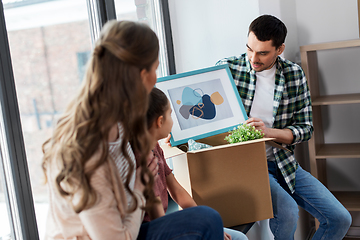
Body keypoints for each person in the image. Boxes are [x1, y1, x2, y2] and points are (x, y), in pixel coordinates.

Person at [42, 20, 224, 240]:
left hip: (131, 226)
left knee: (206, 220)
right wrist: (138, 187)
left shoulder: (120, 121)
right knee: (206, 220)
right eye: (155, 69)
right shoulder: (89, 151)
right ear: (140, 75)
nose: (156, 78)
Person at [216, 15, 352, 240]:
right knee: (288, 212)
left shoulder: (293, 74)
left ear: (280, 49)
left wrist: (268, 132)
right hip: (247, 166)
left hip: (284, 163)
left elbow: (306, 128)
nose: (253, 58)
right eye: (250, 49)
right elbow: (204, 118)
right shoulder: (227, 69)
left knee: (340, 218)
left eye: (262, 53)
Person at [142, 87, 248, 240]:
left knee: (239, 238)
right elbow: (158, 216)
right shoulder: (142, 158)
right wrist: (206, 225)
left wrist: (208, 223)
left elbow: (176, 190)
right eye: (170, 114)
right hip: (152, 230)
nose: (173, 120)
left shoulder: (156, 148)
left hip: (163, 223)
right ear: (160, 121)